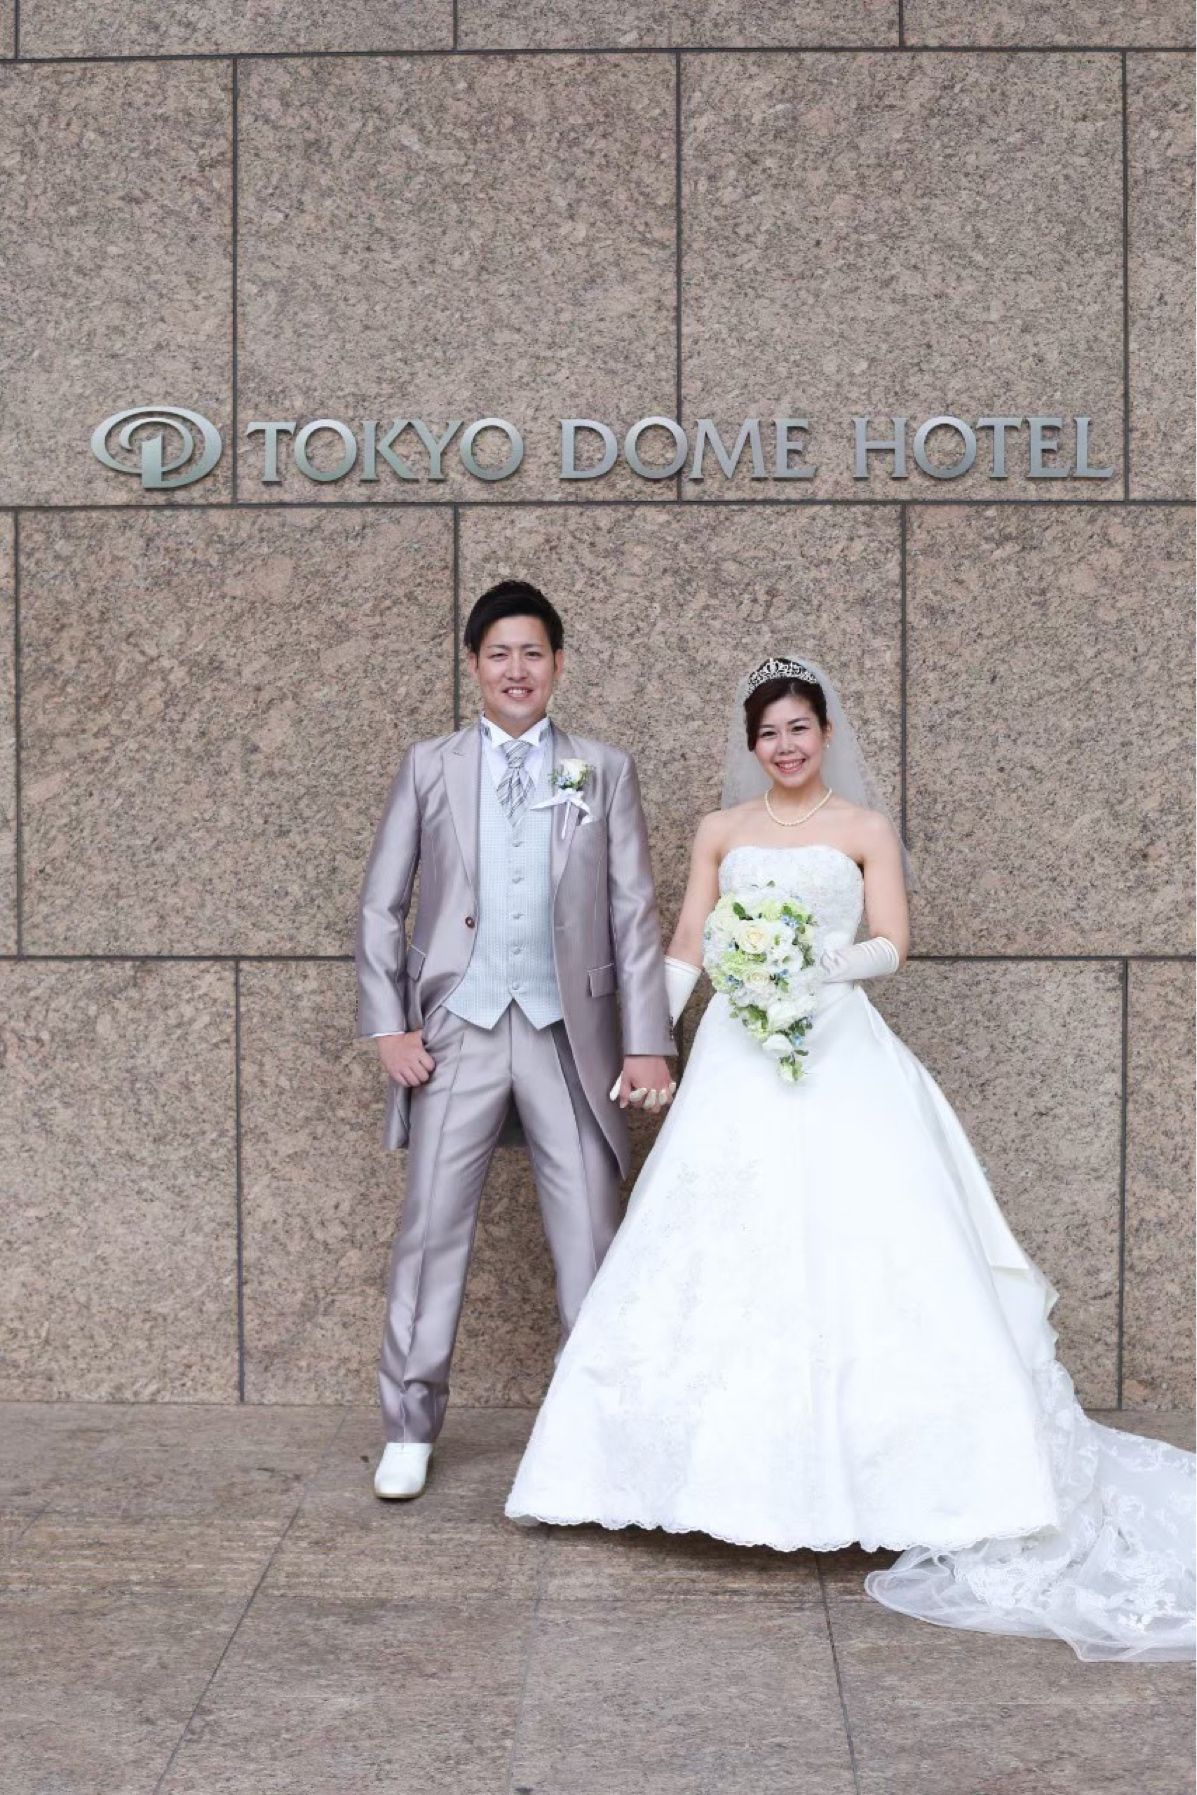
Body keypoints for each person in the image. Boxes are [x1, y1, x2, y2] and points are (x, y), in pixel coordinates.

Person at [505, 654, 1196, 1664]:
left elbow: (893, 942)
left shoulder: (864, 828)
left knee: (873, 1245)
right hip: (740, 1054)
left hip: (838, 1047)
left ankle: (911, 1478)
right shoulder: (721, 831)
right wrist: (648, 1041)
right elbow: (689, 940)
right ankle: (650, 1479)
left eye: (799, 728)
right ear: (752, 745)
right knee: (717, 1244)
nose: (784, 745)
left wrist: (810, 963)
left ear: (825, 732)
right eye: (767, 733)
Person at [354, 581, 677, 1500]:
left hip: (566, 1033)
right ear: (473, 666)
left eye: (532, 652)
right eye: (499, 653)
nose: (516, 669)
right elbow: (380, 905)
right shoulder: (430, 764)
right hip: (457, 1028)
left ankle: (595, 1431)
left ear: (558, 663)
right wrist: (389, 1024)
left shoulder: (601, 768)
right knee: (430, 1230)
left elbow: (632, 912)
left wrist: (645, 1040)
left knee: (591, 1233)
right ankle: (408, 1425)